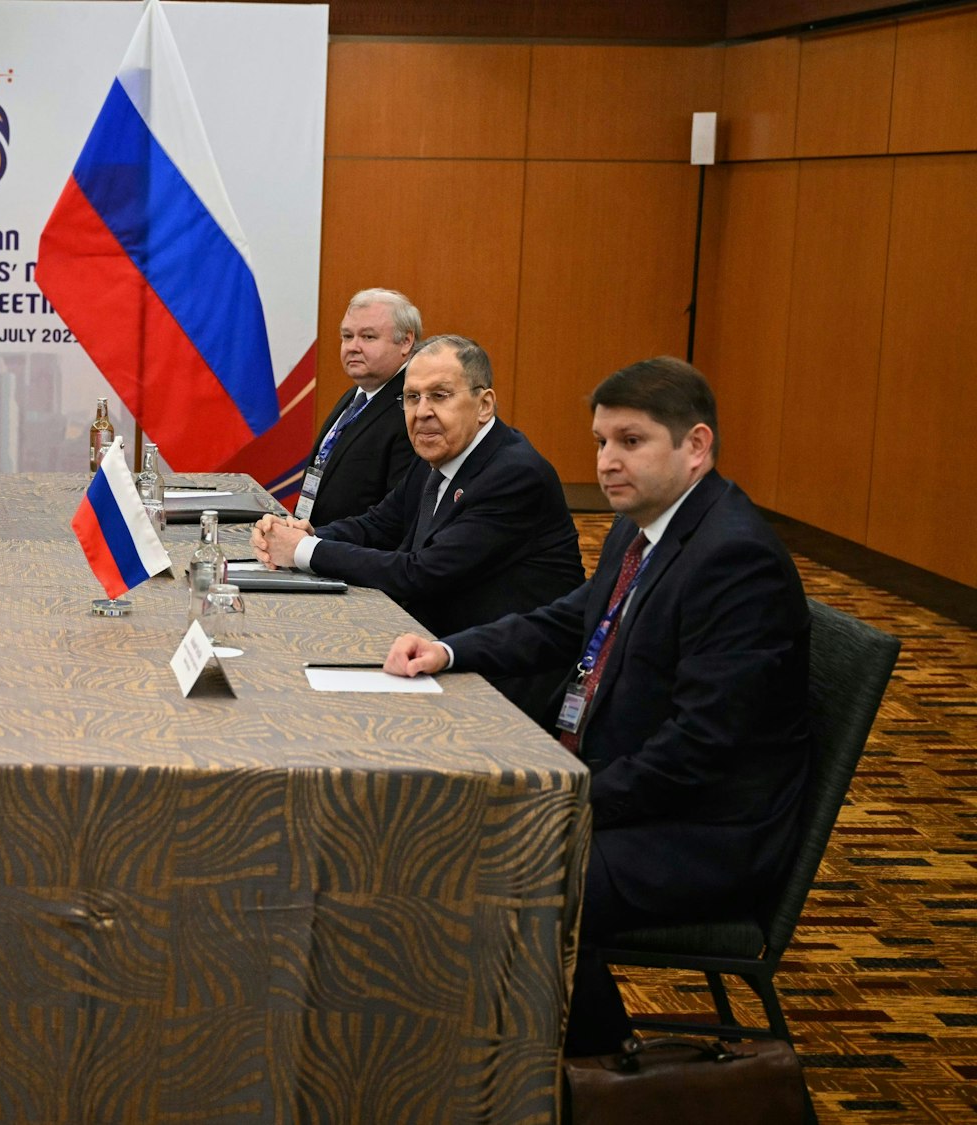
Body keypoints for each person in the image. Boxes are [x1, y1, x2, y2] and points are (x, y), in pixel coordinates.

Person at [382, 357, 811, 1056]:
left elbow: (699, 748)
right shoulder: (643, 527)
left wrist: (562, 796)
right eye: (601, 442)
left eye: (631, 442)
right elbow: (568, 619)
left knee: (495, 870)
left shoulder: (735, 559)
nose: (608, 461)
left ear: (696, 446)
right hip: (624, 784)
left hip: (700, 832)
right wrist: (449, 651)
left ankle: (601, 1074)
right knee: (437, 825)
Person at [252, 335, 583, 719]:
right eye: (412, 397)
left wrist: (303, 551)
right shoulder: (437, 454)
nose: (422, 412)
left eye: (440, 396)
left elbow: (422, 573)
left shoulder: (514, 475)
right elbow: (379, 525)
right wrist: (302, 534)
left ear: (484, 405)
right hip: (427, 651)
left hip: (499, 684)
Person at [291, 288, 422, 526]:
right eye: (347, 336)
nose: (353, 346)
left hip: (354, 546)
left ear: (406, 342)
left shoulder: (413, 408)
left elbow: (397, 515)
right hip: (314, 539)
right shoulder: (358, 394)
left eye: (368, 337)